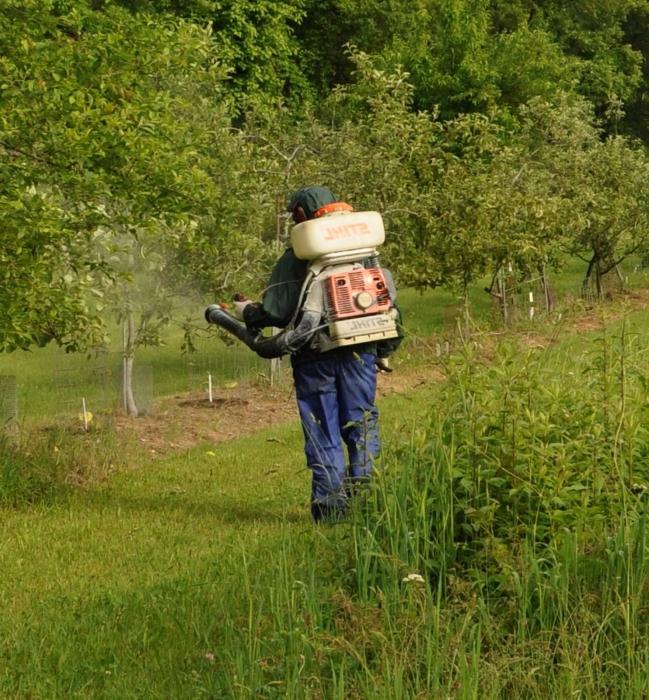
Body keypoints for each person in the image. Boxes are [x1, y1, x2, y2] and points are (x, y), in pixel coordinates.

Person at [235, 186, 402, 522]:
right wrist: (384, 350)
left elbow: (277, 311)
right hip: (361, 353)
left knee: (323, 427)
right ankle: (365, 503)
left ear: (300, 214)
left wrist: (246, 312)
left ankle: (330, 511)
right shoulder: (363, 250)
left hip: (315, 356)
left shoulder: (298, 255)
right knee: (362, 422)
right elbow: (388, 305)